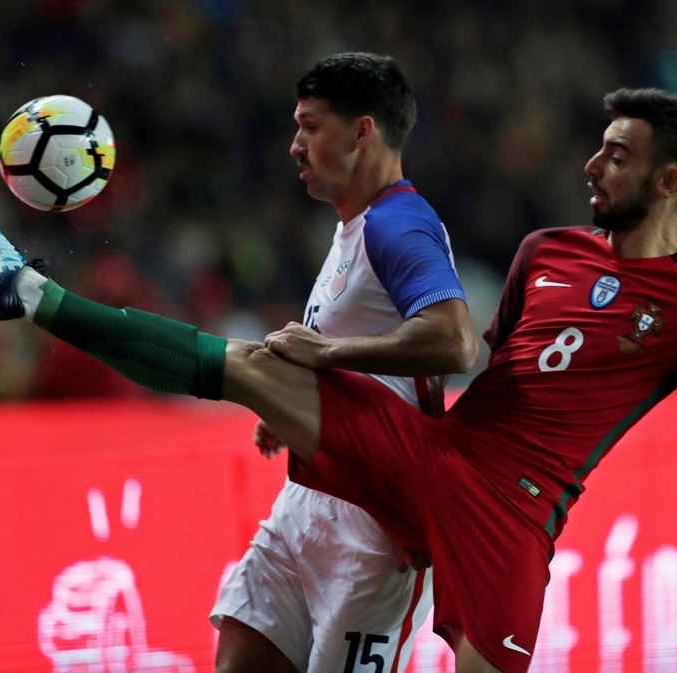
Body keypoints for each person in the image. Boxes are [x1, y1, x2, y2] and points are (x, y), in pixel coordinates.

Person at [0, 86, 677, 673]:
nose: (591, 163)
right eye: (599, 145)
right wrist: (324, 414)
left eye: (616, 154)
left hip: (515, 514)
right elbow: (478, 368)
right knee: (258, 365)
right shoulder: (545, 249)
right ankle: (32, 293)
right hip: (435, 454)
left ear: (669, 181)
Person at [209, 52, 477, 673]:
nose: (296, 145)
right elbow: (370, 361)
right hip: (307, 501)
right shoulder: (354, 226)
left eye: (310, 125)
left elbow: (455, 340)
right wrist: (301, 400)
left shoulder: (398, 224)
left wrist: (327, 352)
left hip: (374, 528)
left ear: (363, 132)